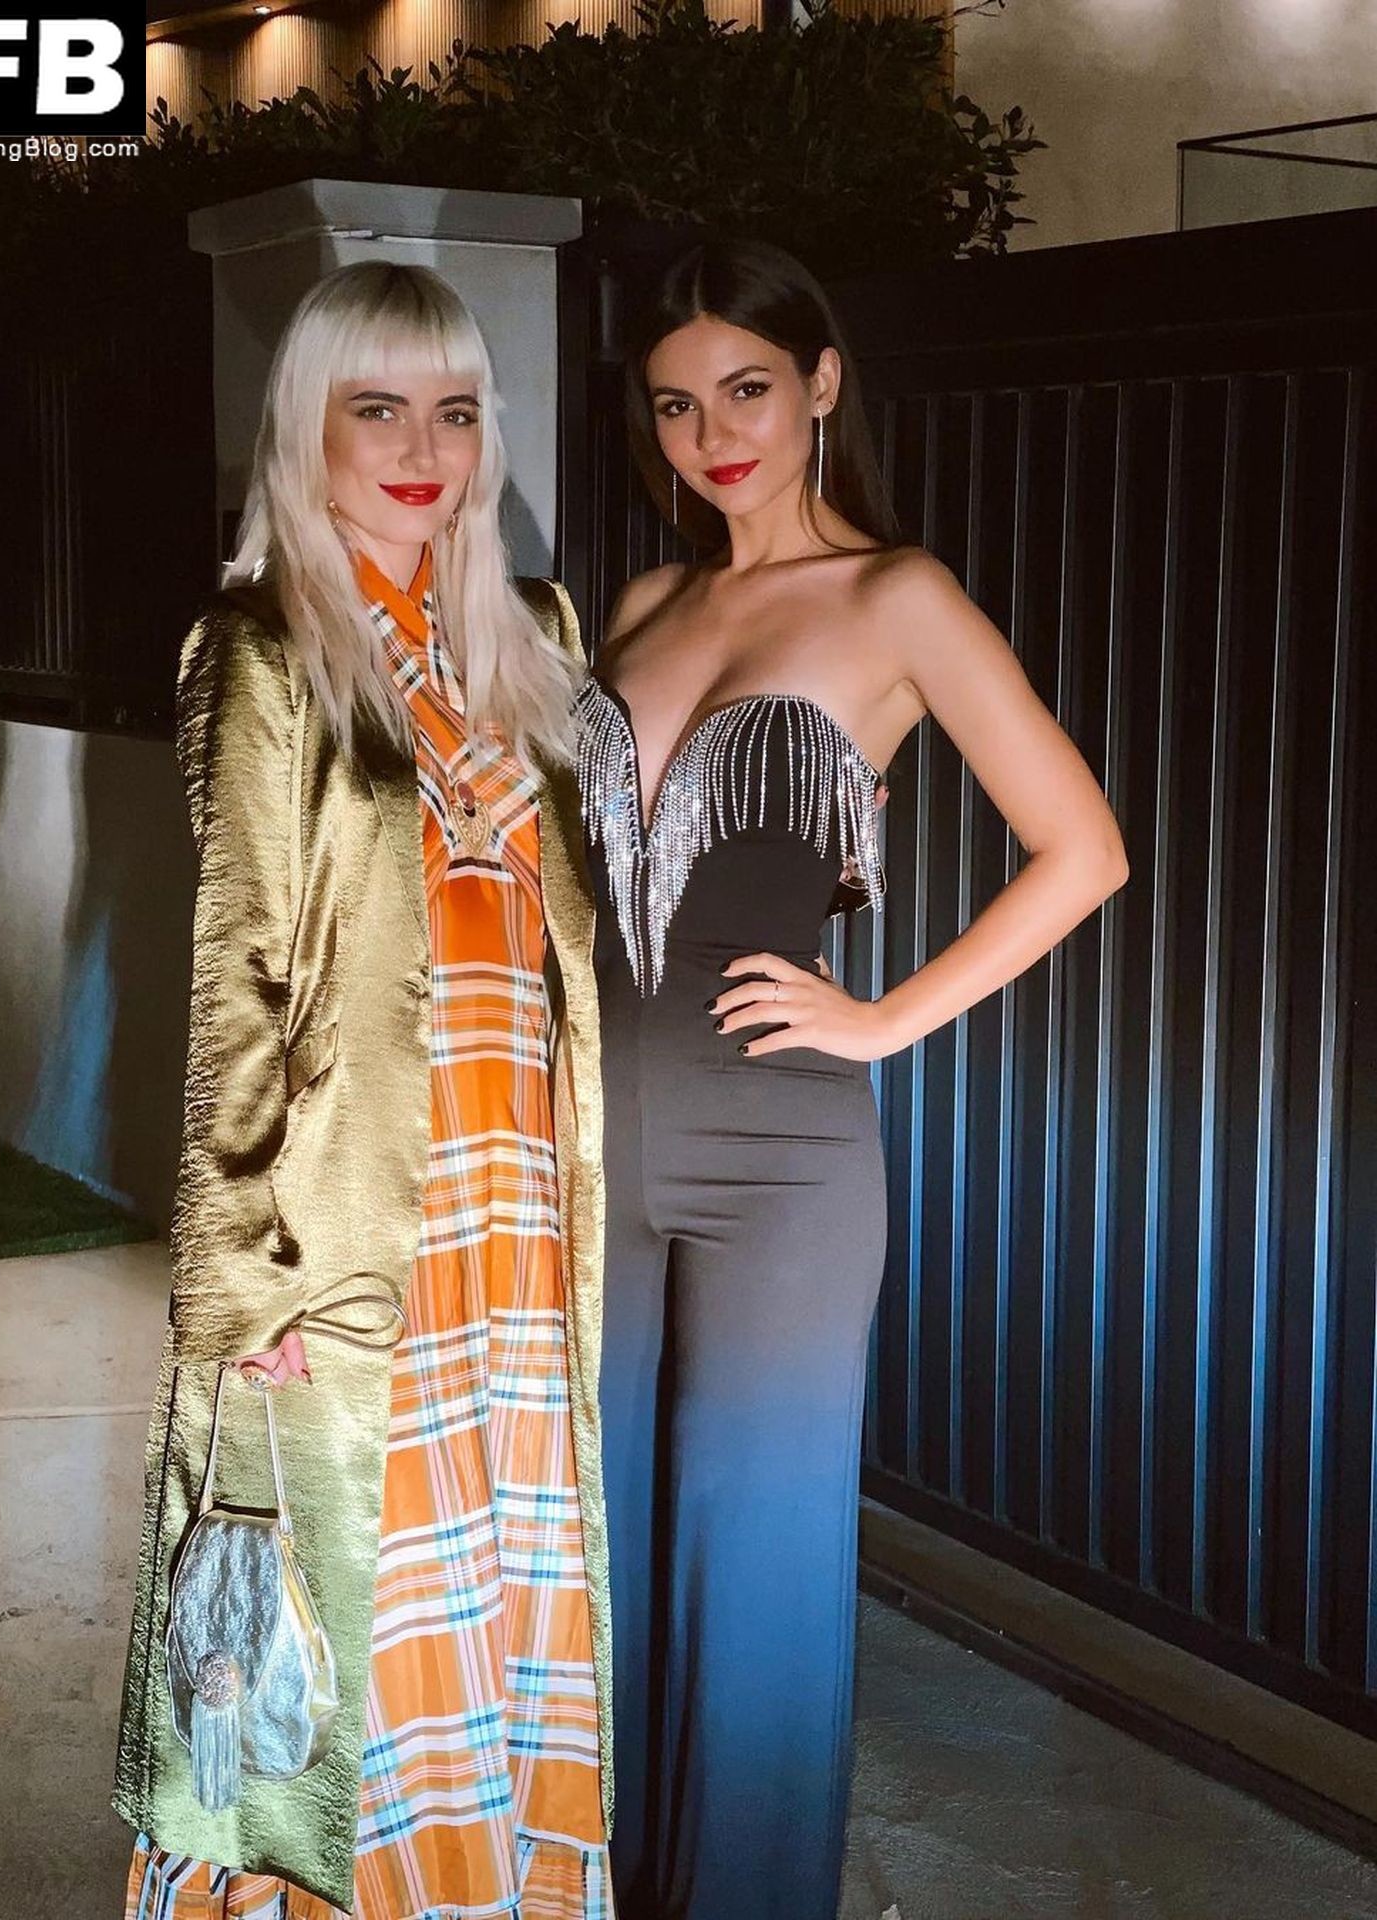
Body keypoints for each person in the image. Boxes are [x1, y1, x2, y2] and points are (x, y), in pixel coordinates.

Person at [579, 237, 1129, 1920]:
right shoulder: (640, 607)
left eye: (746, 388)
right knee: (586, 1543)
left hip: (779, 1162)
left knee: (753, 1563)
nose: (712, 434)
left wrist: (884, 1019)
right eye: (675, 404)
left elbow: (1084, 848)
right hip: (582, 1145)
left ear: (820, 383)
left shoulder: (897, 598)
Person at [112, 260, 616, 1920]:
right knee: (338, 1612)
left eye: (453, 412)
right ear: (305, 430)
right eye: (376, 410)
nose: (420, 450)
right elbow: (238, 971)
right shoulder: (259, 648)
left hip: (516, 1207)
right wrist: (237, 1276)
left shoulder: (530, 634)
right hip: (341, 1225)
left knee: (499, 1578)